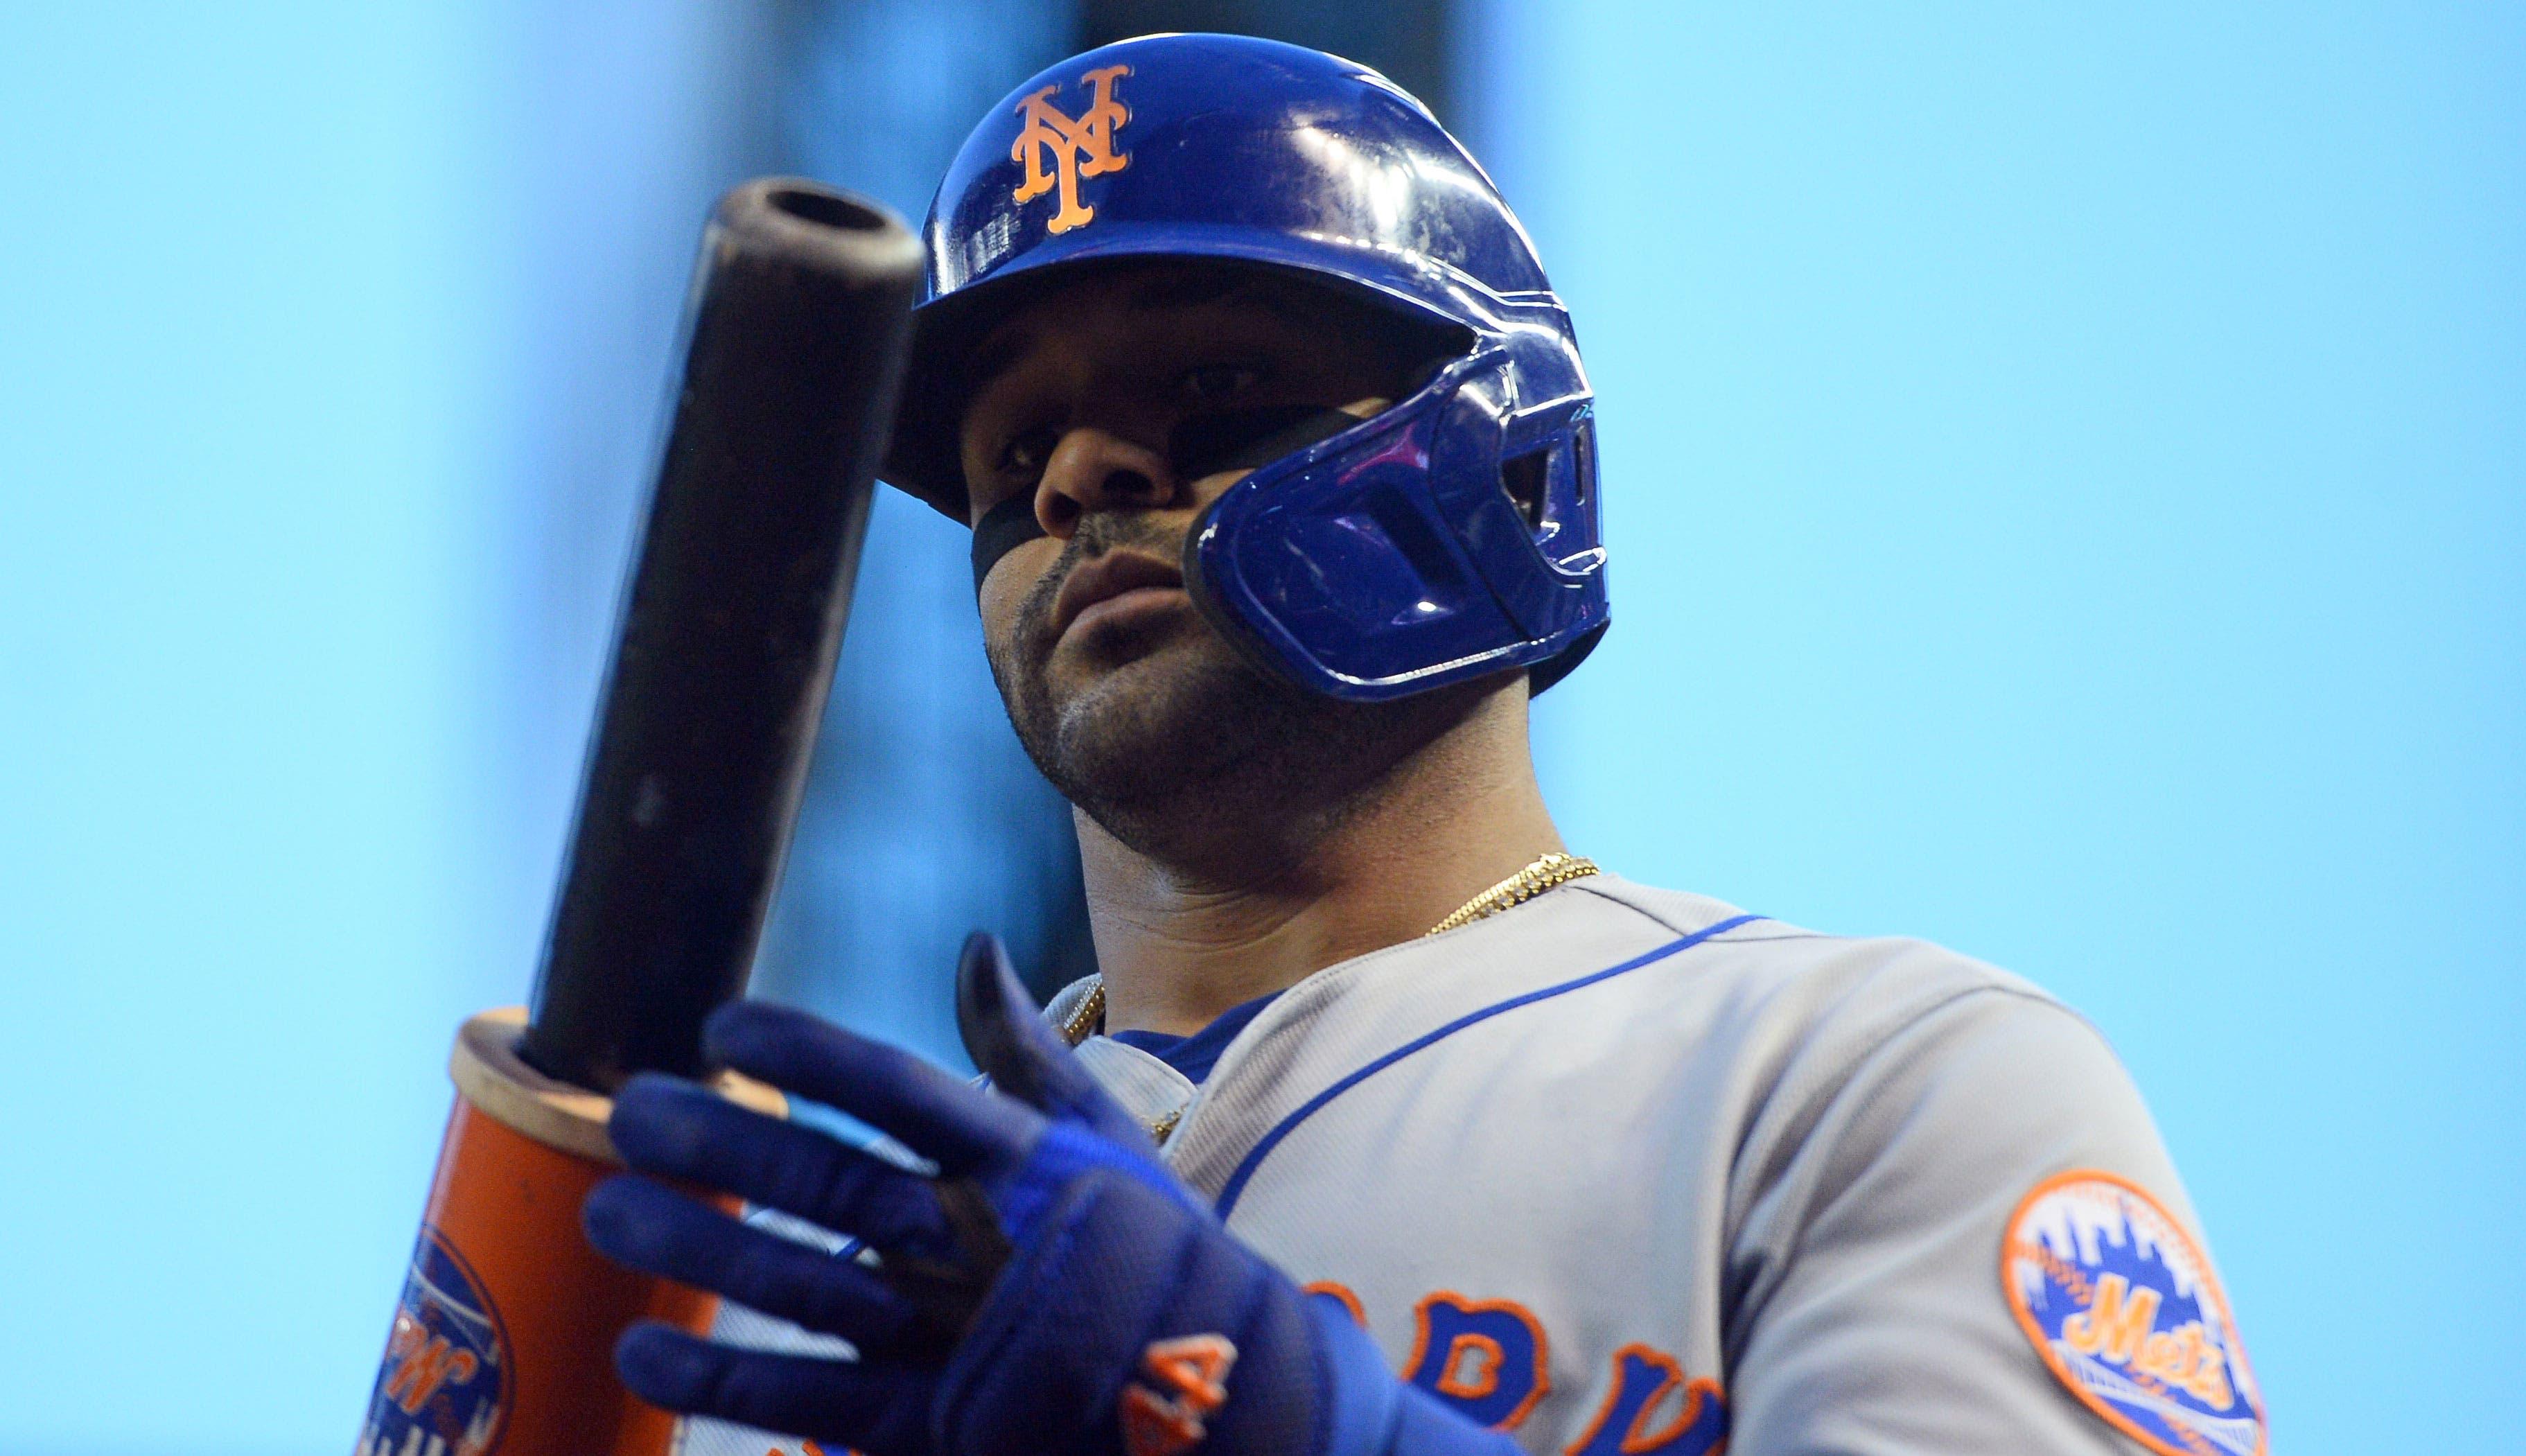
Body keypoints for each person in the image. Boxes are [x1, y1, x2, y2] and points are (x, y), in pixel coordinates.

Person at [580, 33, 2267, 1456]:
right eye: (1011, 452)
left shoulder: (1857, 1075)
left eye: (1217, 385)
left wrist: (1305, 1422)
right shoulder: (847, 1277)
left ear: (1498, 463)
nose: (1078, 476)